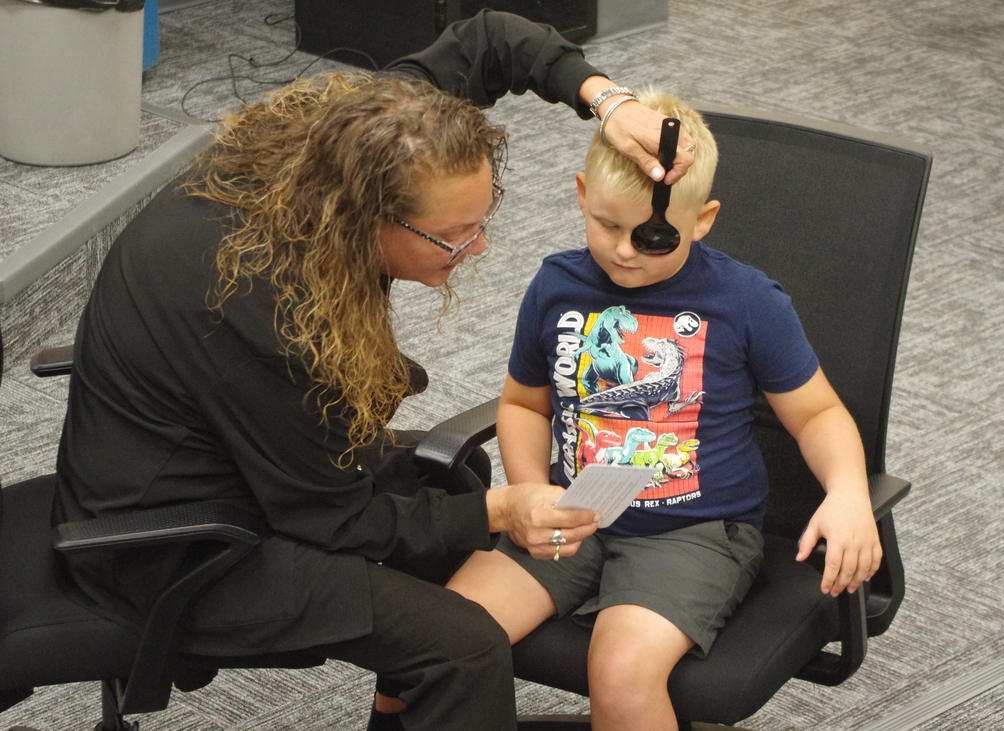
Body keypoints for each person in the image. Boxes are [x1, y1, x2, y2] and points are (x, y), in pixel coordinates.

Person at [51, 12, 700, 731]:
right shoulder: (267, 310)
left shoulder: (356, 141)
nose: (477, 248)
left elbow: (488, 40)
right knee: (464, 646)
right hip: (180, 545)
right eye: (454, 236)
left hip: (238, 451)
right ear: (365, 218)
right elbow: (336, 519)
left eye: (481, 222)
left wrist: (609, 101)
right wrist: (503, 512)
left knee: (448, 478)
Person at [447, 90, 884, 731]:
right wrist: (531, 492)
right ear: (579, 195)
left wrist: (847, 493)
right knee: (435, 642)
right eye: (606, 225)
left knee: (621, 676)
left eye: (651, 236)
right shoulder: (556, 286)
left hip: (696, 534)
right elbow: (522, 404)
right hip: (572, 514)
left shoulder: (746, 301)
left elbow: (818, 414)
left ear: (702, 220)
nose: (625, 250)